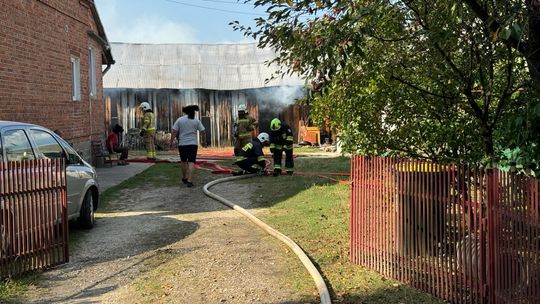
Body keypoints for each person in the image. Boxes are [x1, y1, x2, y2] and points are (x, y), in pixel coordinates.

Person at [170, 105, 206, 188]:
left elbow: (174, 131)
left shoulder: (180, 120)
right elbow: (203, 131)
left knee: (183, 161)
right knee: (191, 162)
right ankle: (189, 180)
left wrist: (171, 142)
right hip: (193, 144)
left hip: (182, 144)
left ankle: (184, 177)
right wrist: (203, 141)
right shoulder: (196, 121)